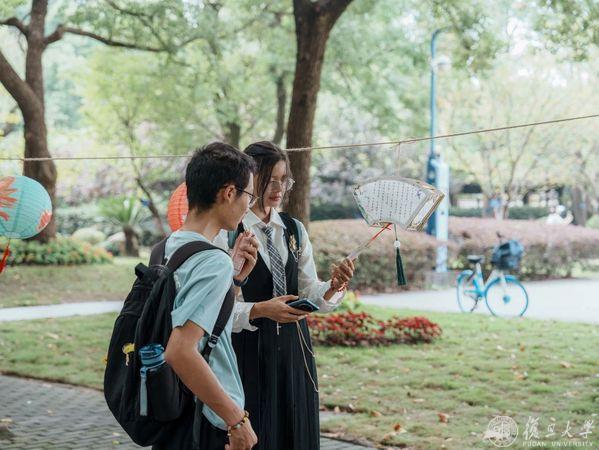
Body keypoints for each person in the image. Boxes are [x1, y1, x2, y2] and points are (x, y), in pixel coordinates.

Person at [214, 141, 355, 450]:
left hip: (295, 353)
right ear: (250, 180)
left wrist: (333, 286)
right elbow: (218, 310)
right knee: (259, 434)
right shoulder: (228, 232)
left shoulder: (294, 230)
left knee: (296, 433)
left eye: (284, 180)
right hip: (247, 353)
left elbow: (308, 290)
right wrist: (261, 310)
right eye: (270, 180)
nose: (279, 189)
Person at [158, 142, 260, 450]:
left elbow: (196, 322)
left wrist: (235, 280)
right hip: (205, 417)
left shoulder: (166, 248)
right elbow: (180, 350)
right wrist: (236, 420)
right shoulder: (213, 261)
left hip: (170, 403)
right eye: (249, 195)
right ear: (229, 193)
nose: (249, 205)